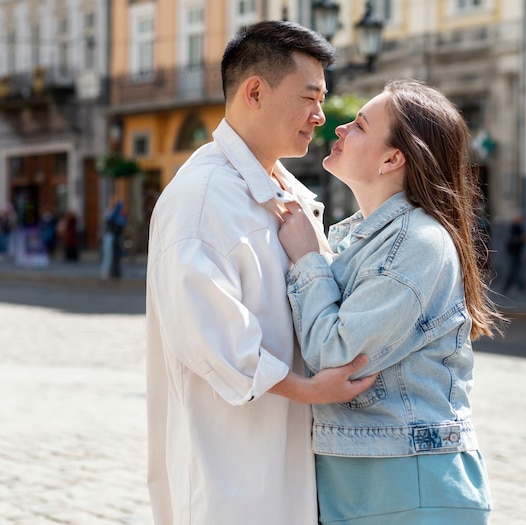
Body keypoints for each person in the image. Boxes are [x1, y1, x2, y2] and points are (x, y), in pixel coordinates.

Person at [145, 20, 377, 525]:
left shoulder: (287, 192)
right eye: (309, 98)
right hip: (232, 479)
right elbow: (212, 339)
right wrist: (313, 390)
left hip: (292, 472)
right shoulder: (203, 198)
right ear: (255, 91)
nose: (320, 116)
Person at [278, 79, 503, 524]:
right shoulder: (364, 239)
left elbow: (335, 355)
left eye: (359, 125)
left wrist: (307, 258)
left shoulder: (416, 242)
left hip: (407, 481)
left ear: (393, 158)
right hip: (373, 478)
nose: (340, 128)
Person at [100, 200, 126, 279]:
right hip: (110, 236)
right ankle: (106, 271)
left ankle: (113, 271)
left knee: (114, 255)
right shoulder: (114, 215)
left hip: (114, 237)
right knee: (109, 255)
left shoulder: (115, 215)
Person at [503, 213, 526, 293]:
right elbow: (510, 239)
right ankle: (507, 287)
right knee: (512, 271)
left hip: (517, 252)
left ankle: (520, 288)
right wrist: (519, 239)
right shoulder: (513, 228)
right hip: (512, 252)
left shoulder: (520, 228)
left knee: (517, 271)